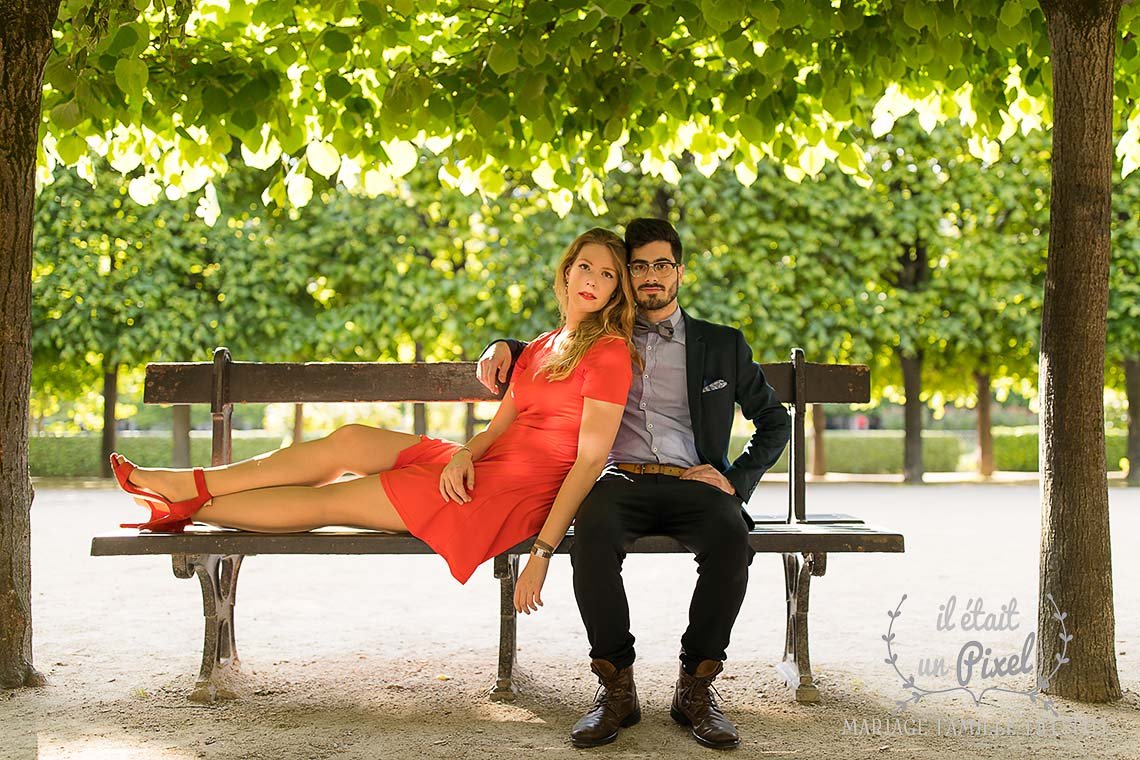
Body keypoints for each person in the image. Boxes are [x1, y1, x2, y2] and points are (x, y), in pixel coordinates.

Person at [111, 228, 638, 608]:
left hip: (508, 493)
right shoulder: (543, 345)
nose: (592, 279)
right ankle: (190, 485)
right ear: (566, 270)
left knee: (332, 501)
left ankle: (194, 505)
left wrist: (542, 553)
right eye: (585, 266)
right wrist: (460, 454)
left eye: (607, 274)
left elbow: (590, 461)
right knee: (348, 440)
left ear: (617, 291)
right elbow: (498, 429)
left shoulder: (609, 351)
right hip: (483, 463)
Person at [478, 218, 790, 749]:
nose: (650, 275)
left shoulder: (722, 345)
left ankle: (695, 687)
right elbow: (560, 337)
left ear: (679, 272)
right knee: (593, 533)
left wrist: (736, 481)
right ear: (626, 276)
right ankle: (616, 688)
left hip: (696, 482)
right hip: (620, 478)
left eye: (661, 265)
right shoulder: (606, 336)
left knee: (731, 538)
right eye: (638, 265)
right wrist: (504, 343)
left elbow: (775, 420)